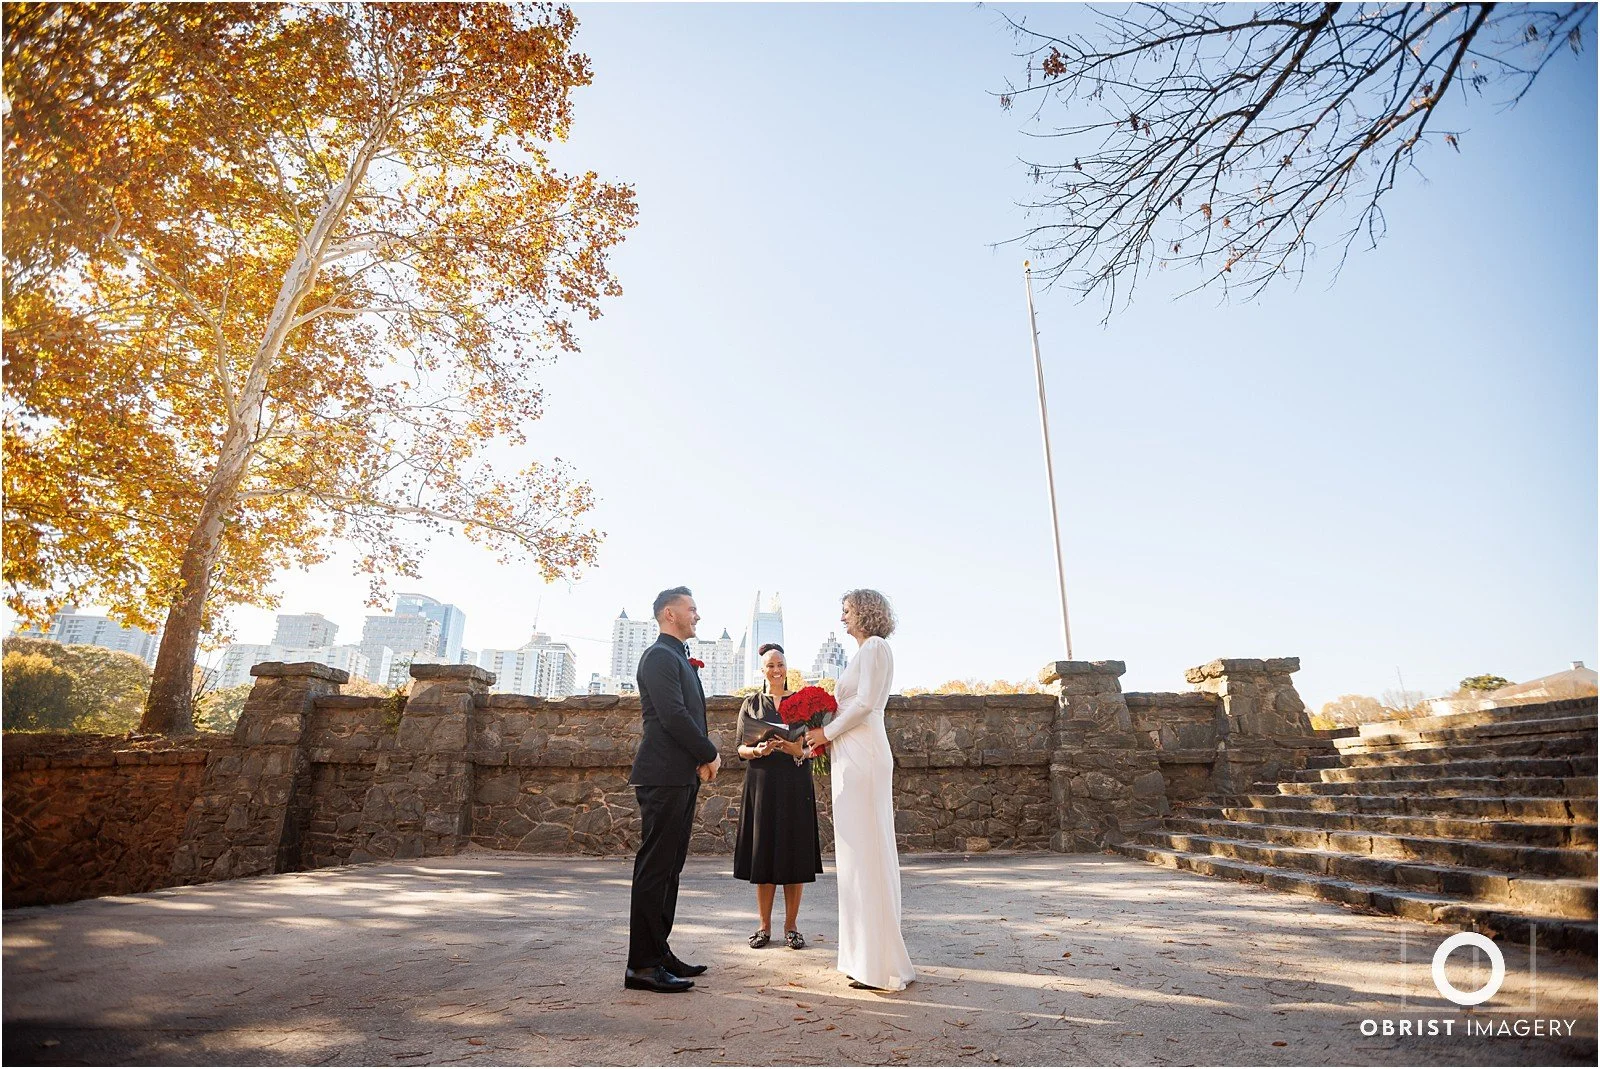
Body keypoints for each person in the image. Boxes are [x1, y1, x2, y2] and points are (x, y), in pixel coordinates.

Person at [803, 588, 915, 992]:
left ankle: (877, 965)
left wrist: (824, 731)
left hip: (864, 753)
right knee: (854, 856)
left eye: (847, 611)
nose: (843, 618)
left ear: (866, 613)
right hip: (852, 753)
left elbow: (866, 703)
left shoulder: (875, 648)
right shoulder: (867, 651)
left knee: (866, 852)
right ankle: (863, 958)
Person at [626, 586, 721, 994]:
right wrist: (710, 753)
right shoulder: (659, 656)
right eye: (692, 609)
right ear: (669, 614)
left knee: (670, 869)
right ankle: (642, 967)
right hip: (662, 775)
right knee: (655, 869)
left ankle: (658, 951)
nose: (697, 615)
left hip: (680, 775)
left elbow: (687, 713)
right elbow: (674, 716)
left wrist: (698, 760)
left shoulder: (677, 656)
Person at [733, 643, 823, 950]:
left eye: (781, 664)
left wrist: (800, 749)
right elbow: (740, 748)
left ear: (787, 668)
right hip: (763, 785)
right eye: (771, 665)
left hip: (795, 784)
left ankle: (792, 927)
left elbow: (817, 747)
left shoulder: (801, 703)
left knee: (794, 855)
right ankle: (764, 927)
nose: (776, 670)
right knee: (765, 856)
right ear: (763, 670)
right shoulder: (750, 704)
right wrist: (757, 750)